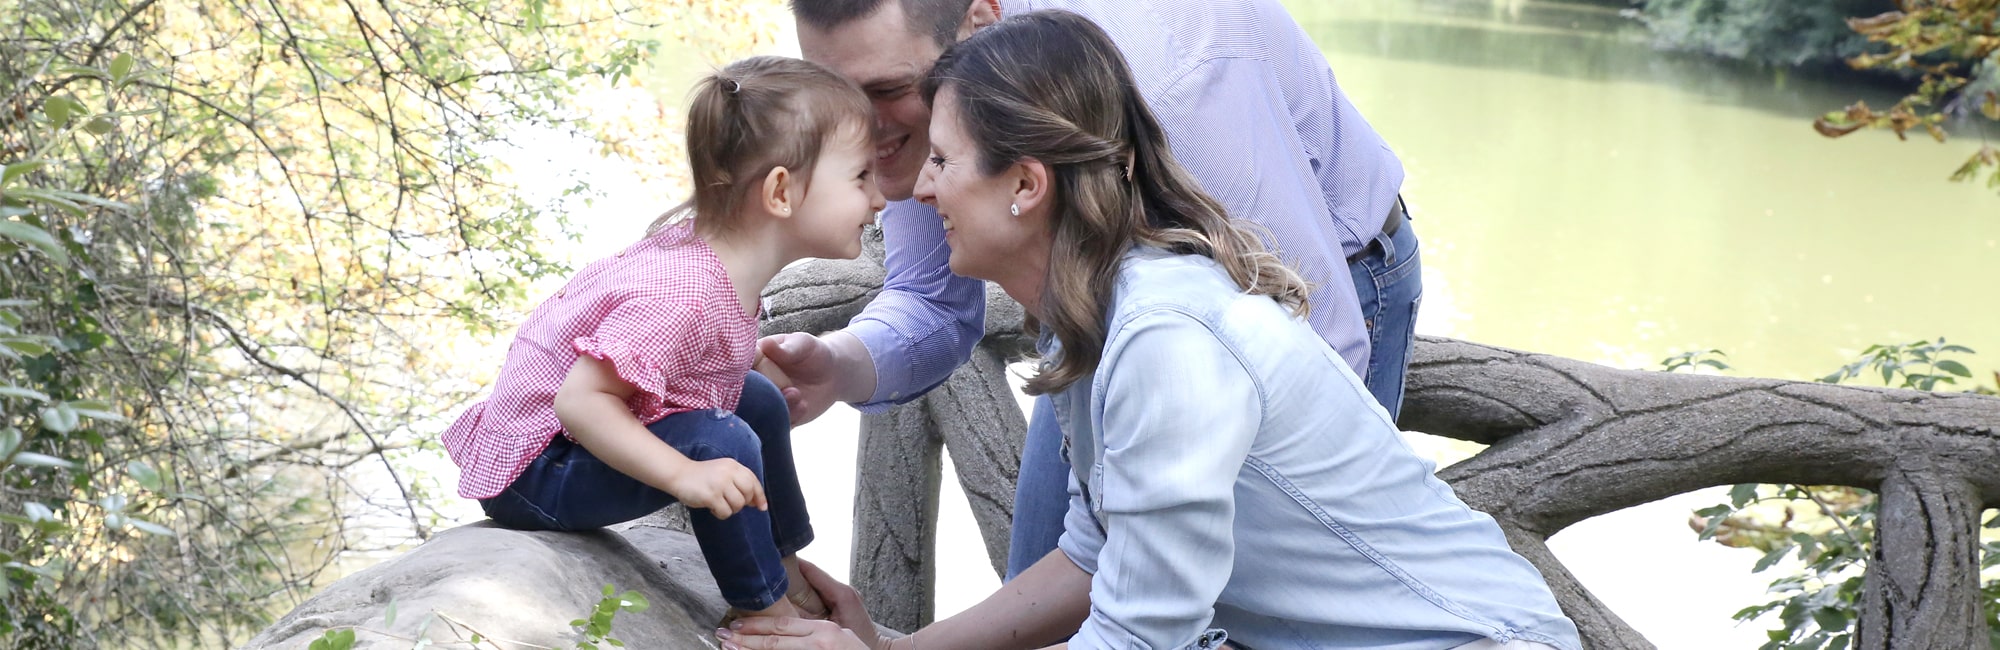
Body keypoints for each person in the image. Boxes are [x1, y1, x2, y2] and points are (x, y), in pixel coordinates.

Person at [720, 12, 1579, 650]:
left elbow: (1138, 633)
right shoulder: (1101, 310)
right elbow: (1098, 563)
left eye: (939, 162)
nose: (918, 188)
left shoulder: (1167, 339)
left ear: (1025, 186)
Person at [766, 0, 1424, 579]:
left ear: (979, 21)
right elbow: (933, 300)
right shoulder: (931, 102)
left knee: (1252, 588)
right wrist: (836, 367)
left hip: (1320, 281)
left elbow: (1315, 338)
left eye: (885, 91)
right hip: (1091, 296)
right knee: (1050, 573)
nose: (858, 125)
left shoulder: (1175, 74)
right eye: (834, 93)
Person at [439, 56, 885, 622]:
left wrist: (749, 368)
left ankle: (783, 564)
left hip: (573, 444)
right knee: (721, 441)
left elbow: (699, 351)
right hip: (538, 470)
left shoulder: (721, 259)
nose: (879, 199)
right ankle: (766, 613)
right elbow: (578, 402)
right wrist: (687, 475)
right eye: (861, 177)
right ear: (780, 192)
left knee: (758, 400)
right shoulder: (682, 293)